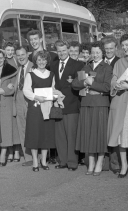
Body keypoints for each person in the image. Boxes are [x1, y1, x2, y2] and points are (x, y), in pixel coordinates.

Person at [72, 42, 112, 175]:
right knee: (88, 134)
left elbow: (107, 87)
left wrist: (92, 83)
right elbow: (75, 84)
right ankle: (91, 162)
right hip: (86, 104)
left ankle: (100, 162)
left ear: (102, 53)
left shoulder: (106, 67)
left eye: (98, 52)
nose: (95, 55)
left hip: (100, 105)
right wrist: (84, 82)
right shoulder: (86, 66)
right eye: (93, 52)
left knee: (99, 134)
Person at [50, 40, 83, 171]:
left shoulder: (78, 64)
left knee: (71, 135)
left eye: (64, 50)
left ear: (68, 50)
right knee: (60, 136)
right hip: (57, 105)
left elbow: (81, 83)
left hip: (72, 105)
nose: (62, 53)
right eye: (59, 51)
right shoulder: (53, 65)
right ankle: (62, 161)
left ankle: (72, 162)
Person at [23, 51, 56, 172]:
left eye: (44, 60)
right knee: (34, 134)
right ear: (35, 61)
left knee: (45, 134)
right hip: (35, 108)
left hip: (47, 107)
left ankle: (43, 160)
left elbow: (53, 89)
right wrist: (37, 97)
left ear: (47, 61)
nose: (41, 62)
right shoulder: (30, 75)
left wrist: (55, 96)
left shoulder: (51, 74)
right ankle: (35, 162)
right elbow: (26, 91)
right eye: (39, 60)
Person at [108, 34, 128, 178]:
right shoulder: (119, 63)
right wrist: (116, 85)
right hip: (122, 102)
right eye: (124, 46)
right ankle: (124, 165)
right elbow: (113, 81)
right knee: (122, 134)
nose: (125, 48)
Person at [101, 36, 120, 173]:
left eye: (111, 48)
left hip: (116, 101)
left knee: (115, 132)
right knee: (104, 132)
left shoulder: (120, 63)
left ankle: (116, 163)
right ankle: (105, 161)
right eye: (106, 48)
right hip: (101, 102)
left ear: (116, 49)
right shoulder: (98, 62)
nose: (108, 51)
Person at [14, 45, 34, 166]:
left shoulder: (34, 66)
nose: (20, 57)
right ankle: (28, 157)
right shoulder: (18, 69)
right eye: (18, 55)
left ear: (28, 54)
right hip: (19, 100)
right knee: (22, 129)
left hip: (30, 100)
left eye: (22, 54)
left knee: (32, 128)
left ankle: (38, 156)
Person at [4, 42, 20, 162]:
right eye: (8, 50)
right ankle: (10, 152)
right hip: (7, 97)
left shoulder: (17, 61)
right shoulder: (2, 61)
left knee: (16, 126)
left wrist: (14, 84)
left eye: (11, 50)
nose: (10, 52)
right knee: (7, 126)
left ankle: (17, 151)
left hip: (16, 95)